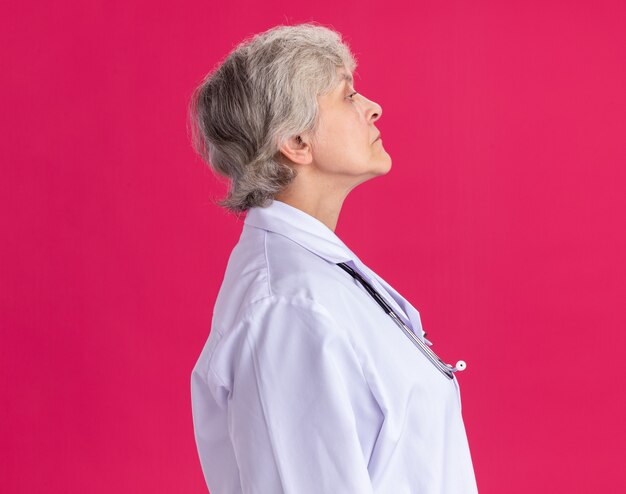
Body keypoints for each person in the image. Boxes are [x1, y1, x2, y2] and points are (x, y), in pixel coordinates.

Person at [187, 22, 478, 494]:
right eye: (347, 96)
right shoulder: (286, 308)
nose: (373, 108)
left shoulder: (317, 277)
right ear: (297, 142)